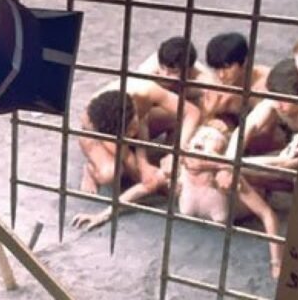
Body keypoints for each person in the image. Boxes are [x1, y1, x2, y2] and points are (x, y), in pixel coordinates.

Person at [74, 119, 283, 279]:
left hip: (255, 189)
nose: (202, 141)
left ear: (220, 153)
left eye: (210, 140)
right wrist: (103, 215)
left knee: (272, 174)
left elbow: (267, 214)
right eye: (200, 137)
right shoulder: (179, 171)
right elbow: (141, 189)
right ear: (189, 144)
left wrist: (277, 263)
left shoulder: (226, 178)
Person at [78, 81, 200, 194]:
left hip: (128, 124)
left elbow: (192, 112)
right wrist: (155, 182)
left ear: (134, 107)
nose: (132, 133)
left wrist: (176, 151)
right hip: (96, 139)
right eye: (127, 132)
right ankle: (90, 169)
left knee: (177, 119)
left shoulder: (146, 90)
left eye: (133, 126)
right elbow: (127, 157)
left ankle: (168, 155)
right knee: (109, 173)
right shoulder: (96, 121)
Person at [224, 58, 298, 168]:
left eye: (283, 100)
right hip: (284, 154)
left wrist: (231, 164)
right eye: (275, 98)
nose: (278, 105)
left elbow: (287, 163)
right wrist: (230, 157)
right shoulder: (275, 102)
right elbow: (247, 126)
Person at [202, 32, 270, 119]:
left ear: (245, 61)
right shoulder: (215, 83)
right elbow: (206, 116)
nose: (221, 75)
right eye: (216, 68)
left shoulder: (265, 82)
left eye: (227, 67)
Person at [137, 36, 214, 102]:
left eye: (174, 72)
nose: (165, 75)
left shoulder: (203, 77)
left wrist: (182, 88)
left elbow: (212, 94)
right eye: (162, 68)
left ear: (189, 70)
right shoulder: (152, 65)